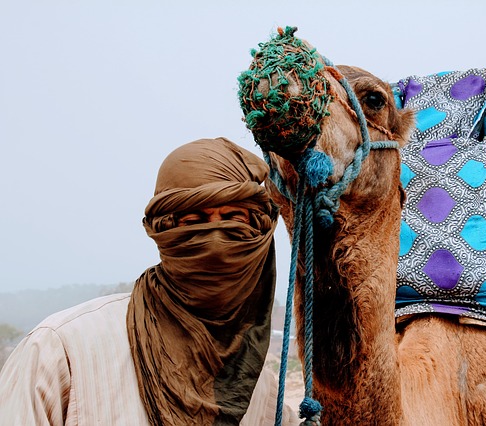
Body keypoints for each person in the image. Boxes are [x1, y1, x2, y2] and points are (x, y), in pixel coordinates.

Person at [0, 137, 299, 425]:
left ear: (260, 232)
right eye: (193, 223)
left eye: (234, 219)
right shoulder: (60, 351)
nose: (216, 240)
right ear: (162, 231)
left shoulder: (261, 390)